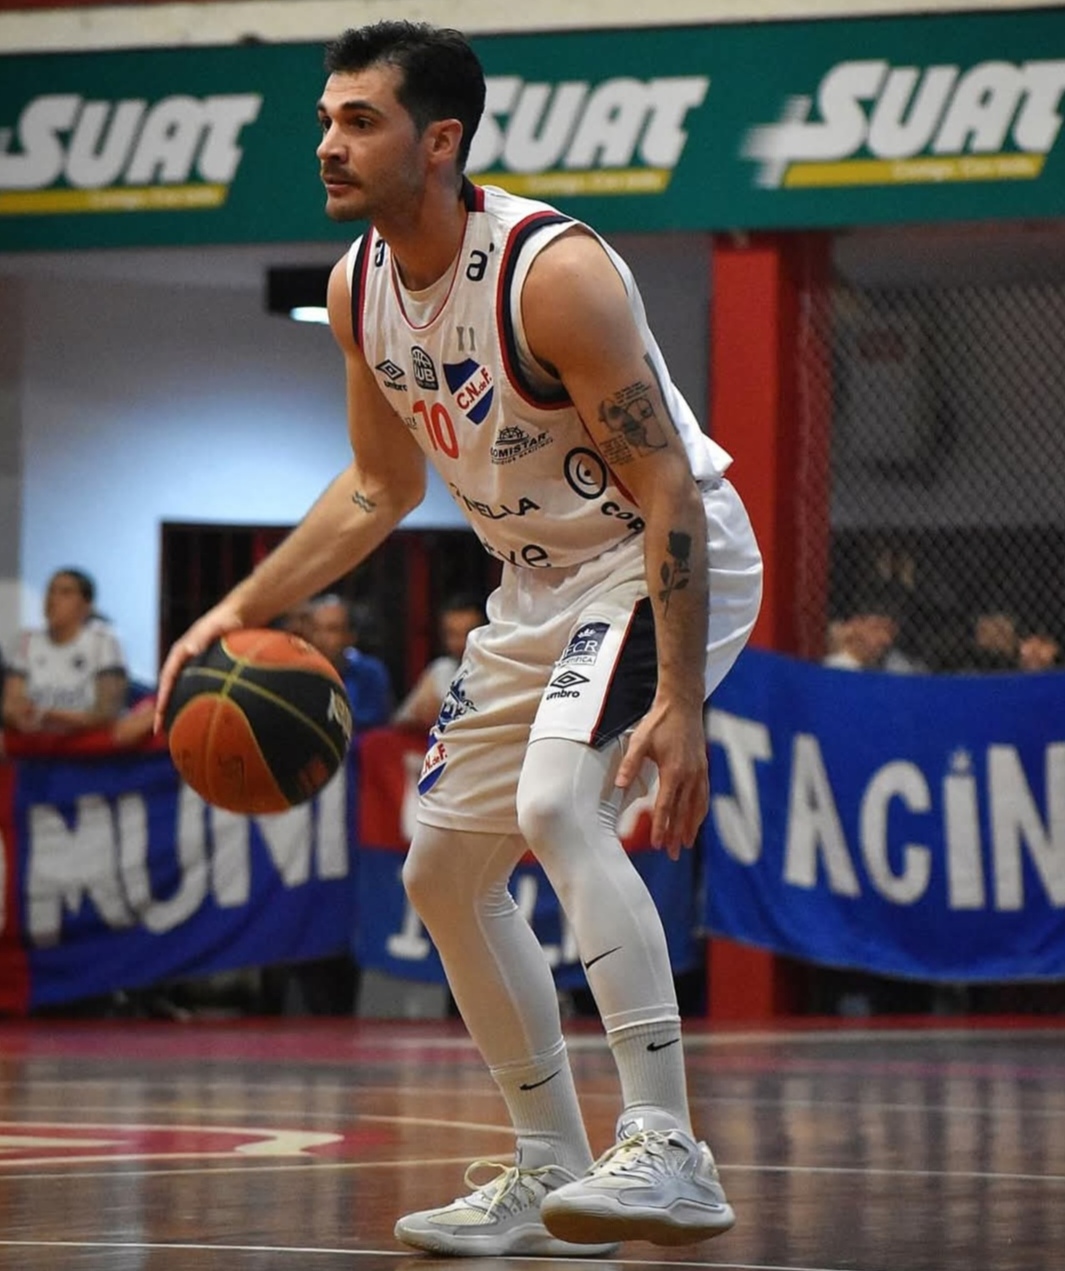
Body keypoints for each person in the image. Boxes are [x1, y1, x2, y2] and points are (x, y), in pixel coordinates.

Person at [156, 20, 761, 1257]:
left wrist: (682, 702)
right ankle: (547, 1164)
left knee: (557, 805)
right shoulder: (357, 288)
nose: (328, 144)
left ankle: (669, 1151)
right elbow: (379, 488)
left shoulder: (552, 274)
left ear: (440, 141)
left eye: (358, 121)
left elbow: (666, 486)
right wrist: (236, 610)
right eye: (325, 120)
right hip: (534, 585)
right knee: (439, 870)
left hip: (651, 552)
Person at [3, 567, 128, 735]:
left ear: (86, 606)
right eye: (50, 591)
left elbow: (106, 712)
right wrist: (19, 716)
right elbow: (11, 704)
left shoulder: (104, 640)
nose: (52, 599)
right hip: (35, 738)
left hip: (88, 739)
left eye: (65, 593)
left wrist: (48, 715)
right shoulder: (27, 640)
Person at [393, 592, 486, 732]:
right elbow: (401, 720)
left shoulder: (499, 671)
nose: (460, 643)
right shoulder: (441, 669)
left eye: (467, 634)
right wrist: (421, 713)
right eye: (452, 634)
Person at [309, 593, 393, 730]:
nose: (321, 638)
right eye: (315, 629)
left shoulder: (370, 674)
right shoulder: (297, 673)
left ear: (350, 637)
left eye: (332, 629)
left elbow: (373, 727)